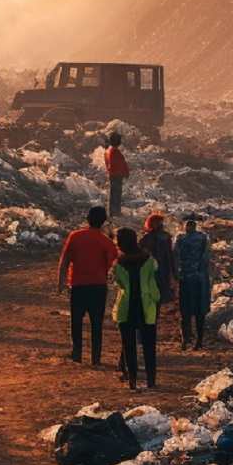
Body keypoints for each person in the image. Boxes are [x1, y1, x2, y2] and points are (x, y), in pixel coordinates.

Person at [57, 206, 119, 365]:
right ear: (103, 222)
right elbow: (115, 263)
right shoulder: (106, 241)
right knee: (96, 324)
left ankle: (76, 353)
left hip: (78, 285)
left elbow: (65, 261)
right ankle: (95, 358)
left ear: (87, 218)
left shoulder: (75, 236)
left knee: (76, 321)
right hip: (98, 286)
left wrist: (61, 282)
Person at [112, 227, 160, 390]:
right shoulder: (148, 260)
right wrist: (156, 298)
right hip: (146, 307)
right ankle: (151, 380)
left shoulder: (119, 263)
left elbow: (118, 282)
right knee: (149, 346)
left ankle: (132, 380)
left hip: (126, 307)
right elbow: (153, 282)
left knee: (129, 346)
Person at [175, 218, 212, 350]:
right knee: (198, 312)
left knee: (185, 311)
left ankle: (186, 339)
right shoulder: (203, 238)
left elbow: (175, 257)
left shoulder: (180, 238)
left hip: (186, 278)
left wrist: (176, 274)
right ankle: (197, 340)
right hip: (199, 280)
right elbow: (206, 258)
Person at [140, 213, 175, 317]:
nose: (161, 225)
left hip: (154, 271)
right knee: (157, 296)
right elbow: (170, 256)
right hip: (160, 271)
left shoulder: (147, 238)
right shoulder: (164, 237)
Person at [105, 132, 130, 217]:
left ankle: (113, 212)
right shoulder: (115, 152)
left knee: (113, 194)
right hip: (117, 176)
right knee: (116, 195)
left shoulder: (108, 150)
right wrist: (126, 173)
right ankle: (115, 213)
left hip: (112, 175)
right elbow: (121, 164)